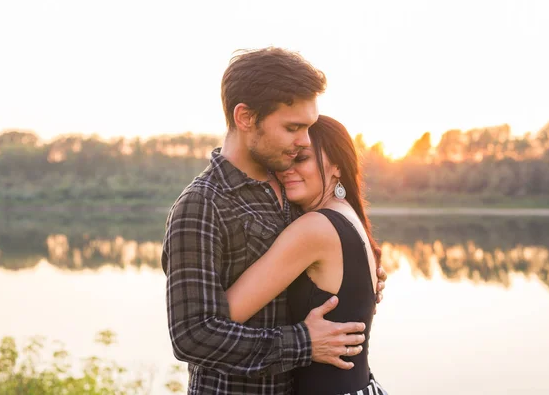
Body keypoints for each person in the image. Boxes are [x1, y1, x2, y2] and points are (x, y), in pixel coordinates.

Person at [162, 47, 386, 395]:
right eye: (293, 127)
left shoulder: (292, 187)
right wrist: (303, 343)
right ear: (246, 118)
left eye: (308, 127)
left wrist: (356, 284)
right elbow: (192, 335)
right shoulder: (202, 205)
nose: (302, 141)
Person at [225, 115, 387, 394]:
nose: (287, 168)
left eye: (301, 159)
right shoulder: (348, 216)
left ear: (337, 165)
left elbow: (223, 314)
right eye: (284, 159)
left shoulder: (314, 228)